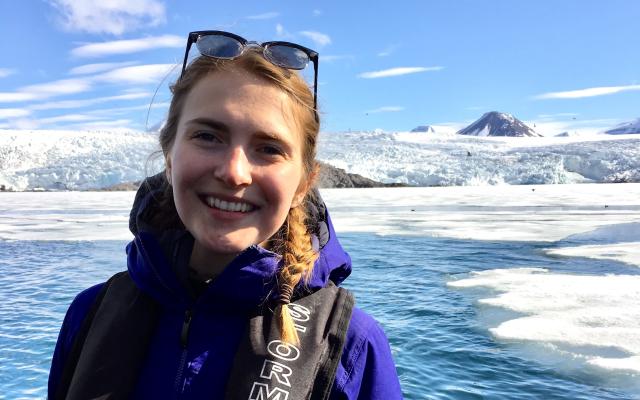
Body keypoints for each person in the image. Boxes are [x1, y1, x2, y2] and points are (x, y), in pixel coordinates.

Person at [48, 30, 403, 399]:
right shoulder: (91, 315)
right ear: (170, 158)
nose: (234, 173)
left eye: (268, 148)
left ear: (303, 183)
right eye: (207, 136)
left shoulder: (349, 347)